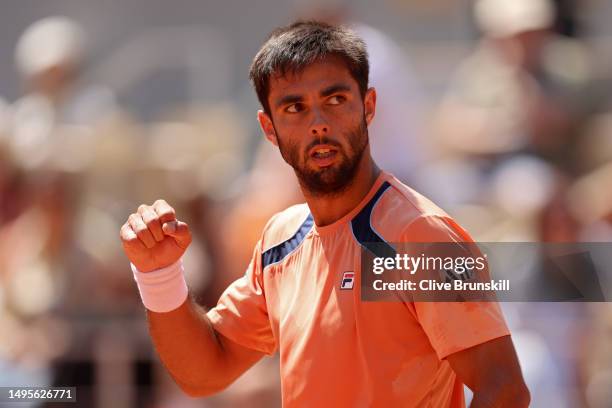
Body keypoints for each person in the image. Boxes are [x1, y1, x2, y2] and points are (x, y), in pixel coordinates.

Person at [120, 21, 529, 407]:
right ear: (269, 129)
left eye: (335, 100)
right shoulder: (280, 241)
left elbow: (504, 389)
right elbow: (205, 372)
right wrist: (158, 274)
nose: (318, 123)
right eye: (294, 108)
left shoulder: (419, 233)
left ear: (368, 106)